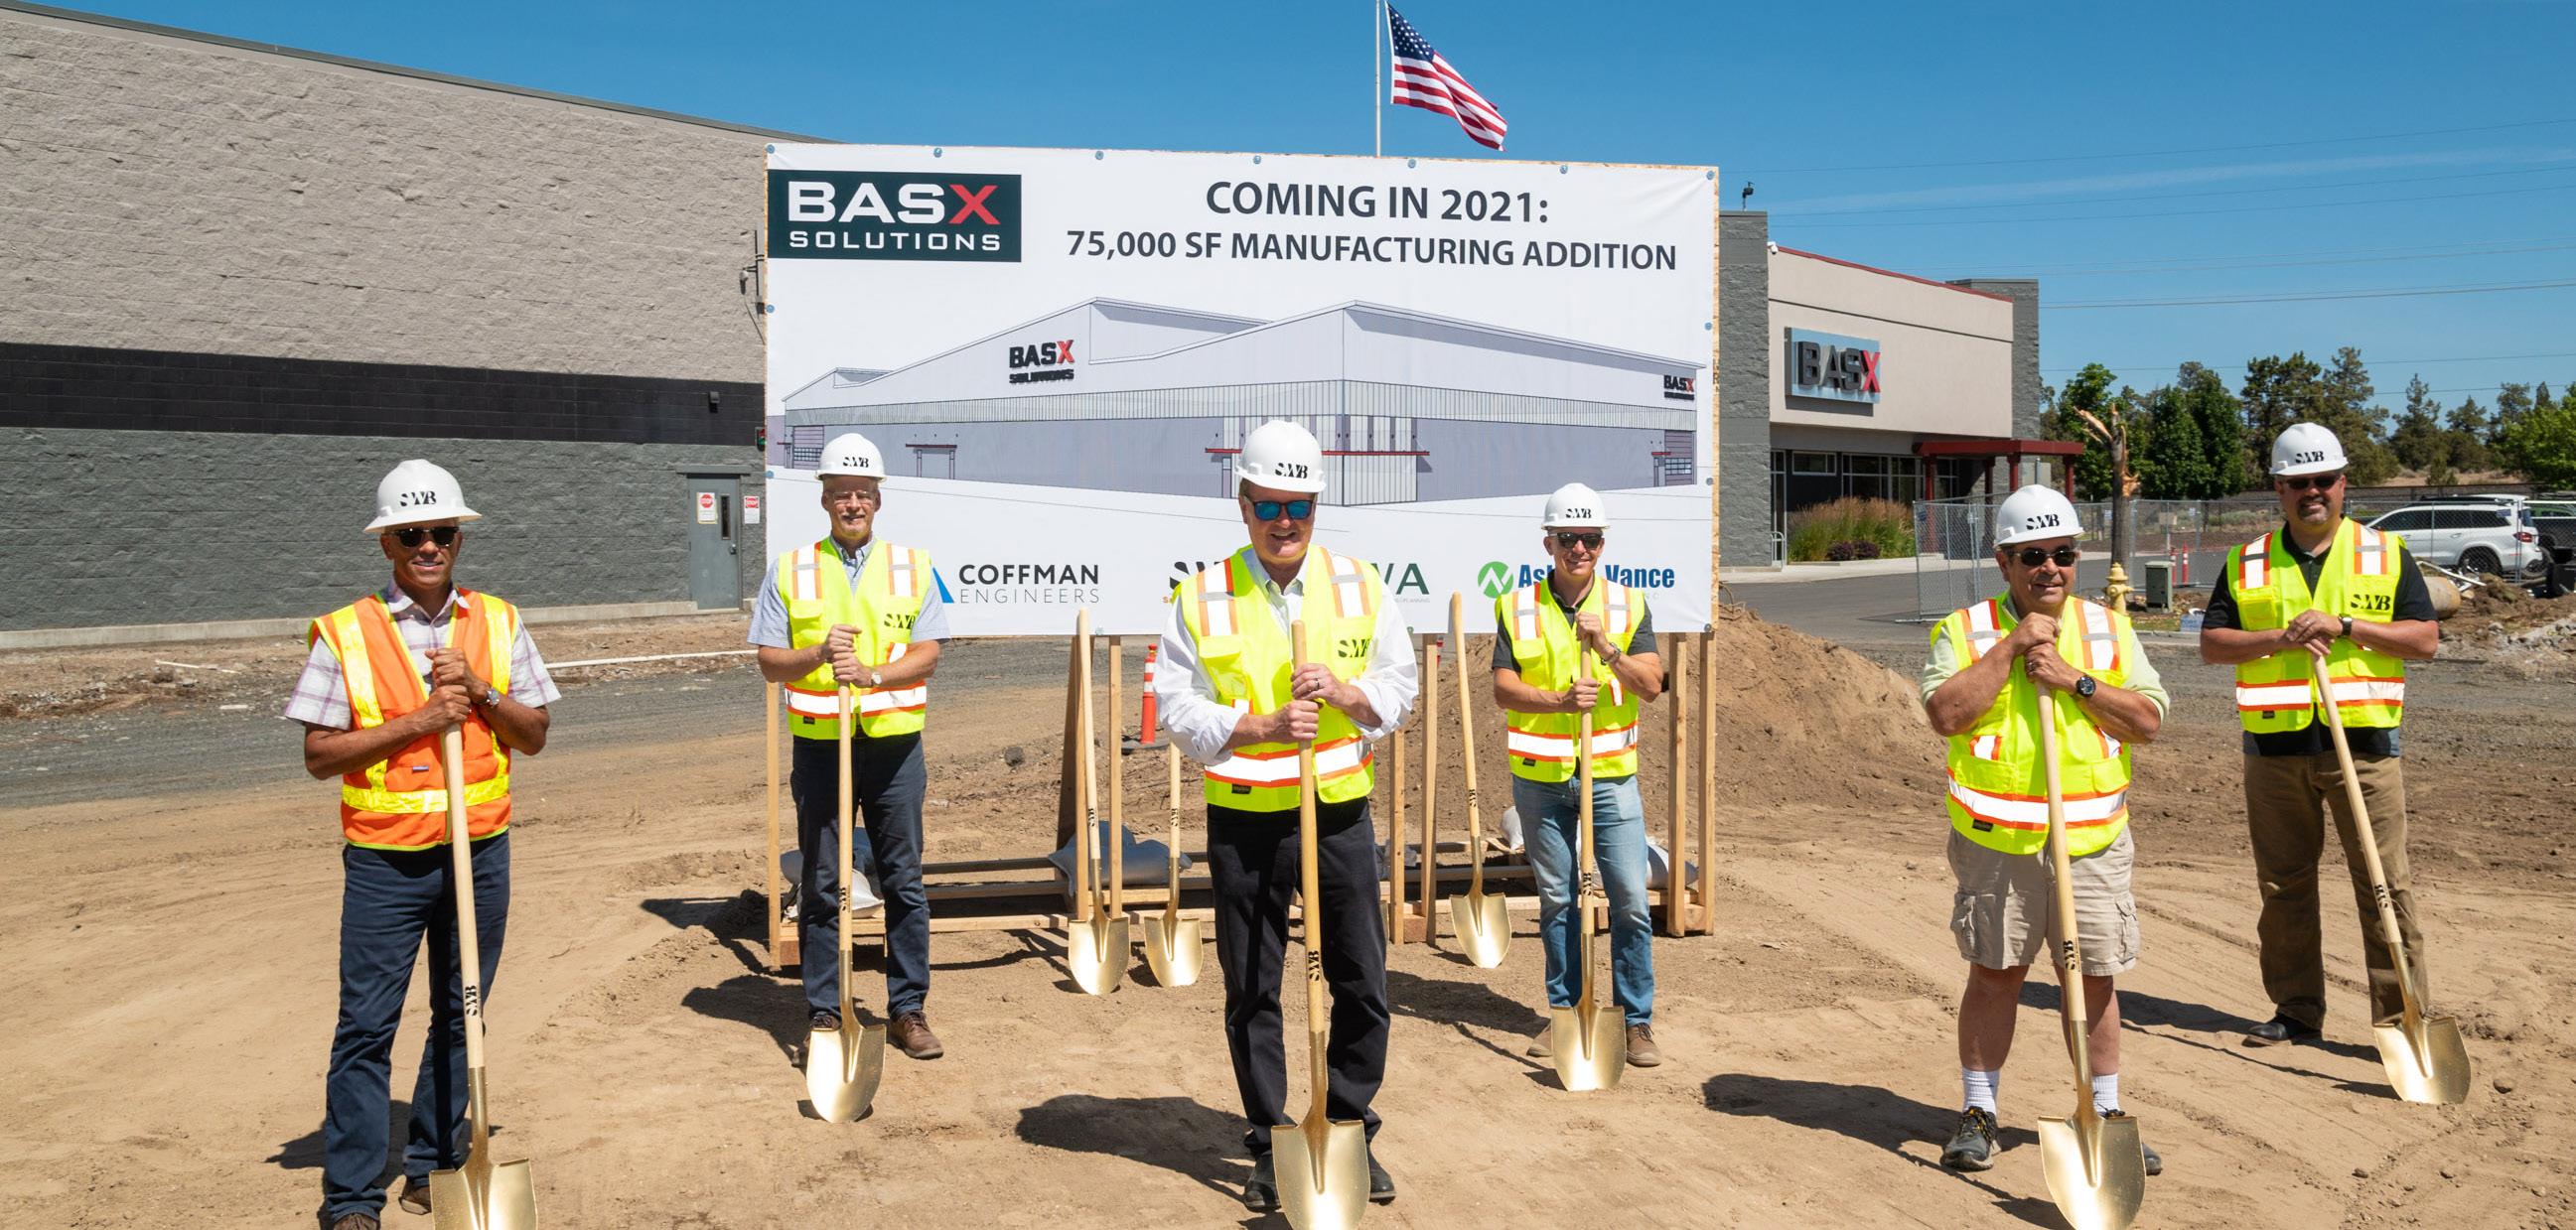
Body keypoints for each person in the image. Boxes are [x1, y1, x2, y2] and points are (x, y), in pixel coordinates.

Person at [1154, 420, 1418, 1212]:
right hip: (1244, 820)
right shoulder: (1202, 595)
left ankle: (1348, 1125)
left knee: (1361, 978)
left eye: (1297, 505)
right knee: (1253, 987)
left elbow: (1400, 687)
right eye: (1267, 504)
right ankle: (1273, 1137)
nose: (1283, 521)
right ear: (1243, 504)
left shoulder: (1360, 585)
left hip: (1336, 813)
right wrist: (1258, 726)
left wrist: (1347, 693)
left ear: (1316, 506)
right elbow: (1175, 708)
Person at [288, 460, 558, 1230]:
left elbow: (534, 734)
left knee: (462, 1013)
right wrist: (421, 720)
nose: (429, 546)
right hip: (387, 861)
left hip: (480, 851)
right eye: (412, 534)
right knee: (366, 1025)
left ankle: (436, 1166)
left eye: (442, 531)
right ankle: (350, 1198)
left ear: (458, 537)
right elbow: (318, 755)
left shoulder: (499, 621)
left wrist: (480, 690)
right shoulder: (346, 631)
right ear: (387, 544)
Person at [1921, 485, 2164, 1176]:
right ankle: (1979, 1111)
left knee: (2093, 980)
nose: (2050, 567)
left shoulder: (2109, 629)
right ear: (2004, 561)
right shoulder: (1965, 630)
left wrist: (2075, 680)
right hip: (1999, 845)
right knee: (1995, 975)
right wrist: (2012, 647)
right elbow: (1945, 715)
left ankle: (2103, 1110)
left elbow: (2148, 721)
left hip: (2092, 843)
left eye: (2062, 552)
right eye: (2032, 555)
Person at [2198, 423, 2441, 1047]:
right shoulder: (2247, 561)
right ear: (2278, 488)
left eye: (2324, 480)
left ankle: (2403, 1018)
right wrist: (2280, 638)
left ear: (2343, 483)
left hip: (2364, 747)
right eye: (2298, 481)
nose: (2313, 491)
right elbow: (2213, 644)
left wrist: (2347, 625)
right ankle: (2297, 1009)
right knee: (2284, 887)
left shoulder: (2385, 554)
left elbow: (2424, 640)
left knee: (2385, 885)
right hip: (2274, 752)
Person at [750, 432, 950, 1060]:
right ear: (825, 499)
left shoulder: (912, 565)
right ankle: (825, 1011)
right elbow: (769, 661)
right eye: (841, 493)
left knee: (904, 880)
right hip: (821, 747)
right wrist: (818, 653)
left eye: (863, 493)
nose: (853, 504)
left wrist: (872, 675)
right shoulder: (791, 568)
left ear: (878, 499)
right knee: (823, 881)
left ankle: (907, 1009)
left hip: (894, 748)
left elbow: (930, 652)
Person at [1491, 483, 1666, 1067]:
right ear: (1549, 542)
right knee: (1558, 899)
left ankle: (1635, 1022)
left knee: (1630, 900)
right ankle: (1565, 1013)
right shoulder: (1516, 606)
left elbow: (1652, 684)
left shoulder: (1628, 605)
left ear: (1602, 543)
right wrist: (1559, 702)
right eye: (1568, 537)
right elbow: (1503, 688)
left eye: (1590, 538)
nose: (1579, 548)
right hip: (1540, 778)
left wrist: (1608, 649)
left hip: (1611, 775)